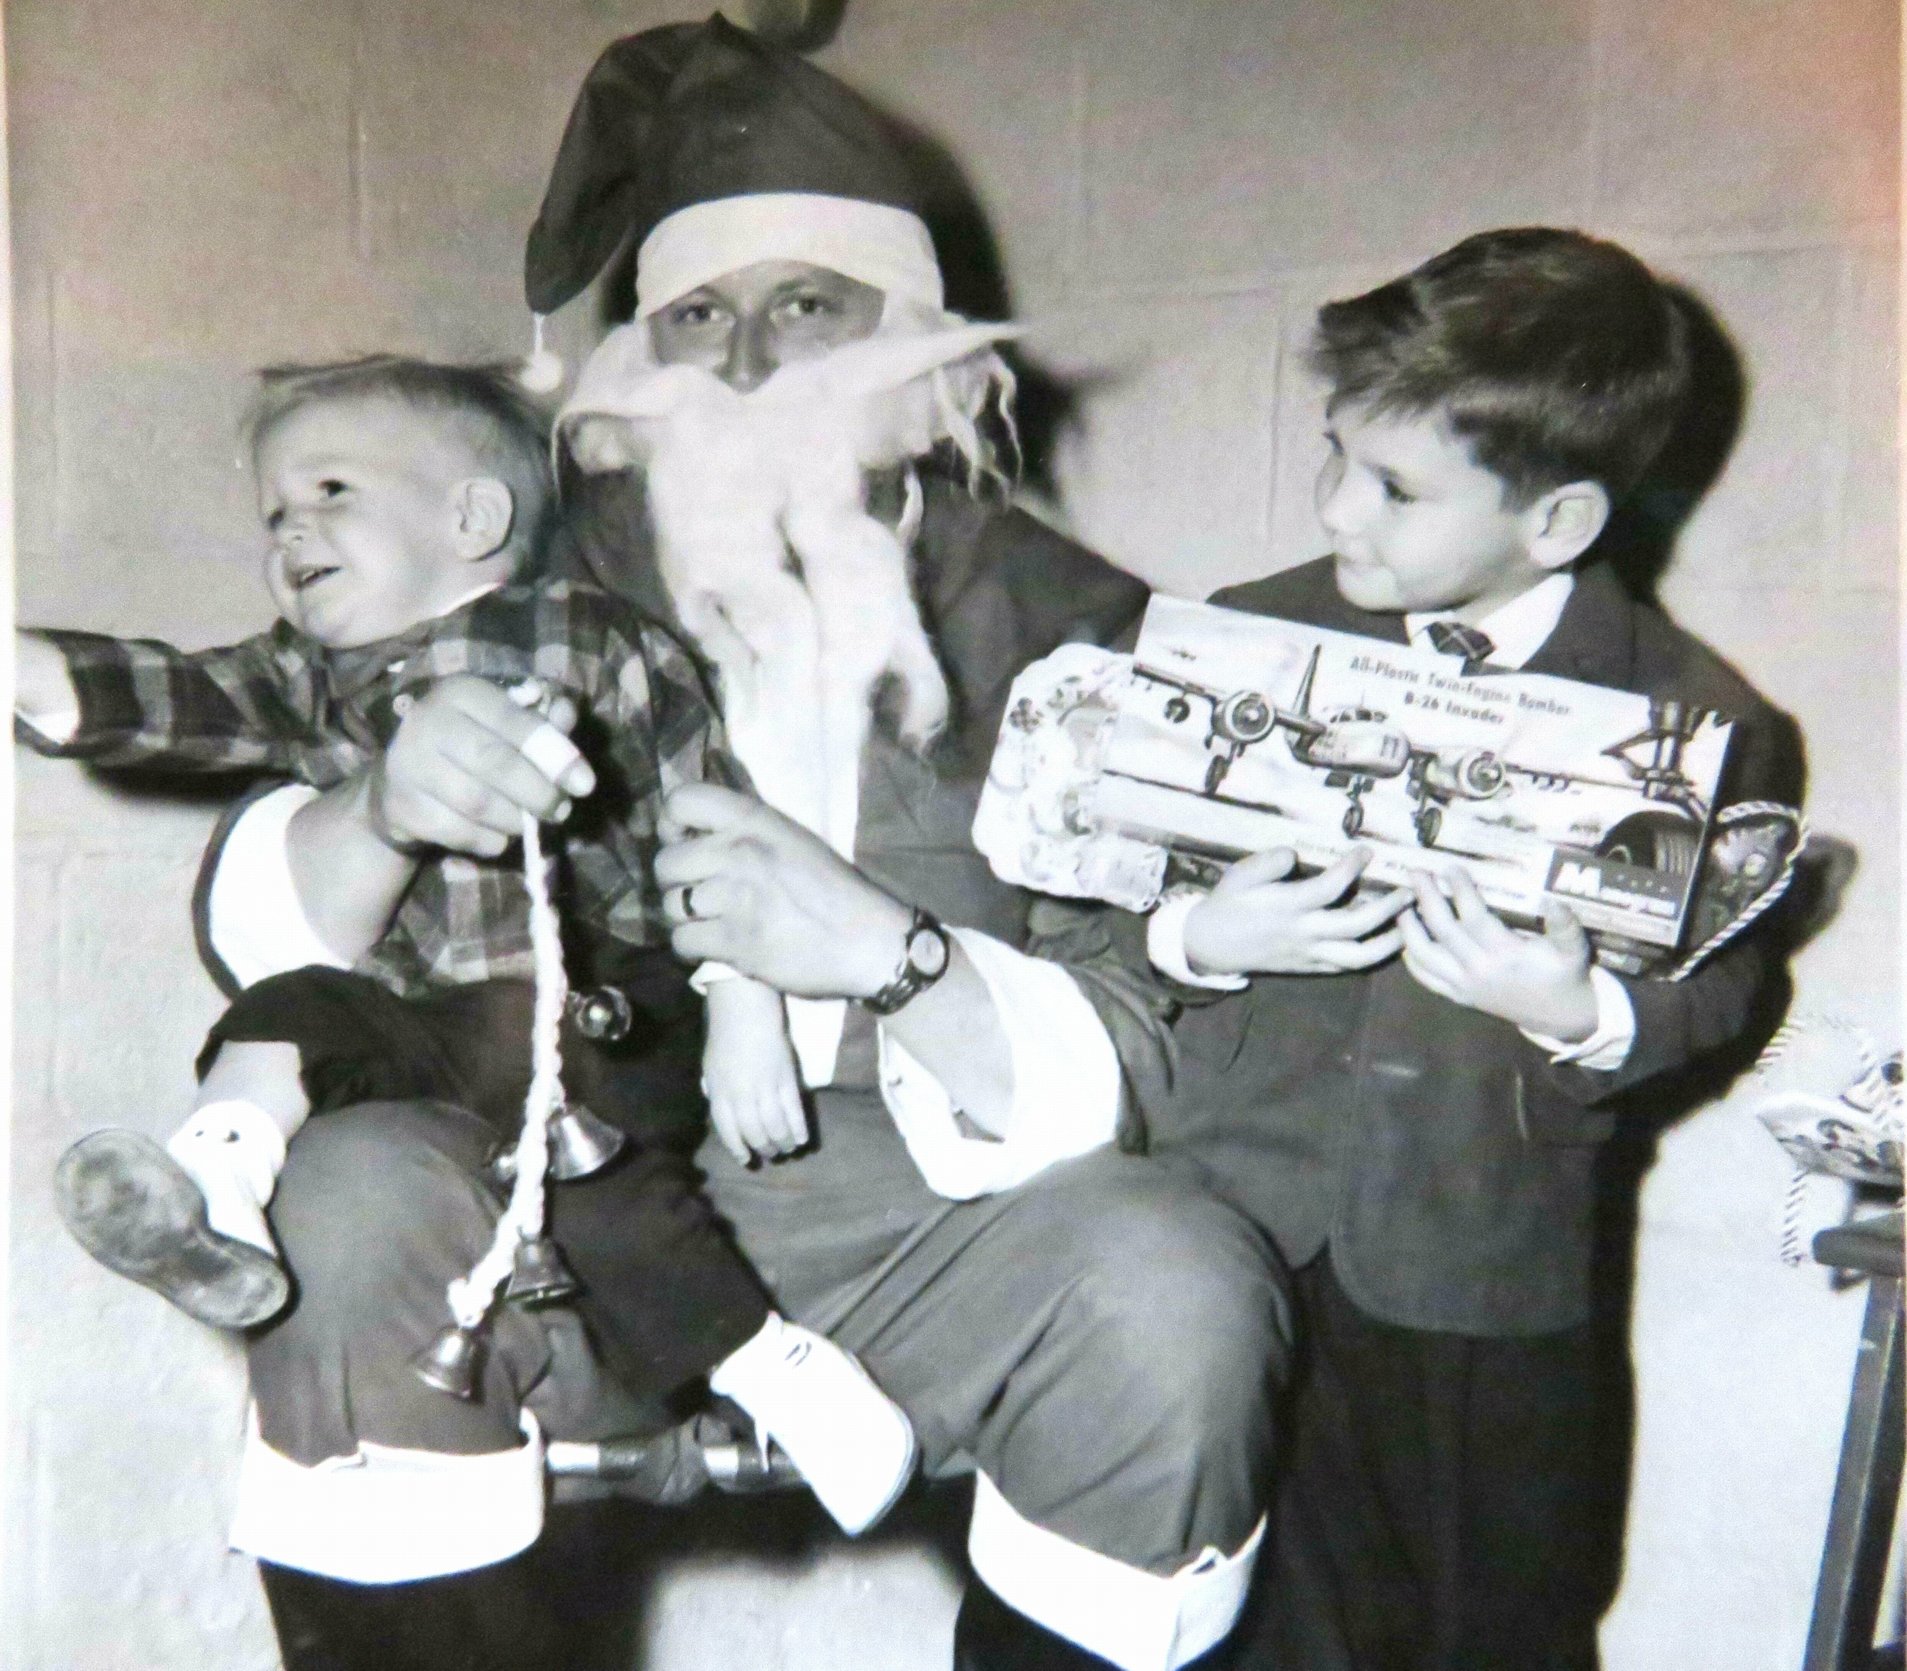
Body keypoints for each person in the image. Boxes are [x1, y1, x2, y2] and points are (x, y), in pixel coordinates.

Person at [189, 19, 1331, 1671]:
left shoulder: (1065, 629)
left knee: (1177, 1288)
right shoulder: (494, 566)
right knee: (354, 1196)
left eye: (805, 309)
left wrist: (894, 956)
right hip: (559, 1201)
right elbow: (260, 910)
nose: (742, 365)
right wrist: (381, 801)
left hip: (922, 1222)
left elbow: (1158, 1015)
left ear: (914, 342)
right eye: (698, 317)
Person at [15, 353, 917, 1540]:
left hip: (601, 1003)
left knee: (603, 1196)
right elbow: (168, 693)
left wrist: (742, 1003)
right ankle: (218, 1182)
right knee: (290, 1009)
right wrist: (30, 671)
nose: (290, 531)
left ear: (473, 516)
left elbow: (711, 824)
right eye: (274, 513)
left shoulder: (588, 633)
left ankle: (773, 1369)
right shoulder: (309, 674)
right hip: (430, 1022)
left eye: (329, 491)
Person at [1136, 228, 1804, 1670]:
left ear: (1556, 520)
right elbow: (1087, 897)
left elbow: (1732, 988)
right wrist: (1191, 933)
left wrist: (1584, 1010)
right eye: (1332, 457)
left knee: (1478, 1627)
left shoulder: (1692, 720)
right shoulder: (1241, 637)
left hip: (1477, 1272)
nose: (1336, 512)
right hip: (1215, 1236)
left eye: (1391, 487)